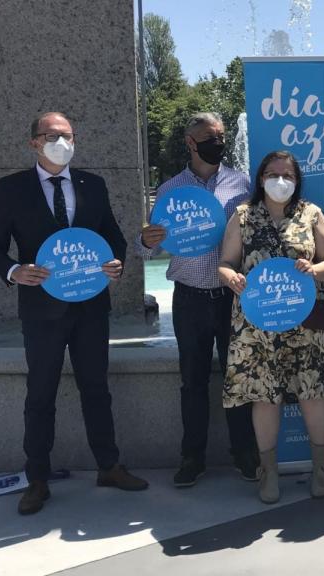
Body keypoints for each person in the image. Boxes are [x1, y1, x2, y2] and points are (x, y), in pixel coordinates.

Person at [0, 111, 148, 515]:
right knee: (40, 394)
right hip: (41, 310)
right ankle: (36, 478)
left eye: (69, 135)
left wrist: (116, 264)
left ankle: (108, 465)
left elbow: (114, 239)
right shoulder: (11, 189)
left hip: (90, 306)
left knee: (96, 389)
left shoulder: (93, 184)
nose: (63, 142)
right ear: (34, 142)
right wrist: (14, 270)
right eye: (54, 135)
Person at [136, 112, 259, 487]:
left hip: (232, 297)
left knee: (238, 377)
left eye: (221, 136)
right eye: (209, 137)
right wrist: (145, 242)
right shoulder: (171, 189)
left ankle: (245, 454)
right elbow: (148, 249)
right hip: (189, 298)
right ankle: (193, 457)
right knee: (192, 381)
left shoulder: (242, 183)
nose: (217, 142)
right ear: (190, 143)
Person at [218, 150, 324, 503]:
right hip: (257, 324)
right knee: (264, 396)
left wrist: (314, 270)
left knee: (311, 393)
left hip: (307, 321)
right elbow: (224, 263)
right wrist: (232, 278)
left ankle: (321, 468)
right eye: (272, 174)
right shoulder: (242, 216)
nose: (280, 181)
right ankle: (268, 473)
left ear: (297, 180)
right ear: (260, 178)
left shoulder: (311, 214)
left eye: (287, 175)